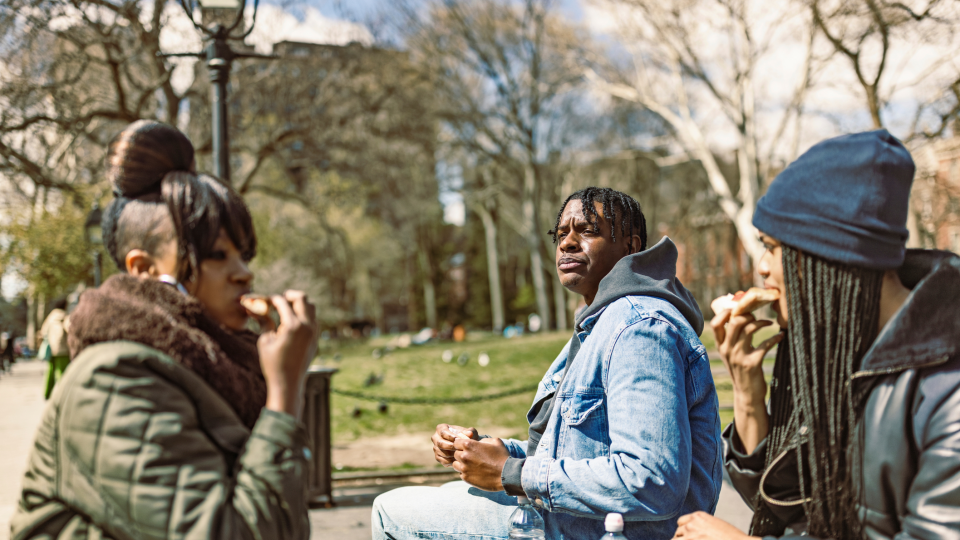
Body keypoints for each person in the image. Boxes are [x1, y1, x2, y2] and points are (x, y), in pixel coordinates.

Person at [11, 120, 318, 540]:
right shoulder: (113, 380)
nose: (243, 274)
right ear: (143, 269)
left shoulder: (214, 364)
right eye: (217, 255)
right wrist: (284, 396)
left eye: (244, 255)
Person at [373, 187, 722, 539]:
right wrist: (484, 451)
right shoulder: (602, 323)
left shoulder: (639, 327)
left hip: (612, 533)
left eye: (587, 230)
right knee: (448, 495)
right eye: (560, 234)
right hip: (578, 522)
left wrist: (511, 473)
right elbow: (577, 450)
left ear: (630, 247)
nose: (567, 243)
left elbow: (652, 481)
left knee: (391, 511)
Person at [671, 130, 960, 540]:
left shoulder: (949, 395)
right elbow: (783, 509)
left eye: (772, 247)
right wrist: (749, 396)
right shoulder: (840, 349)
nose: (762, 268)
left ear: (828, 256)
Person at [39, 298, 70, 399]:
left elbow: (43, 332)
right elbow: (69, 329)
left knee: (50, 372)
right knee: (62, 373)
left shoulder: (50, 317)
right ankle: (63, 395)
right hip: (62, 349)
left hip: (51, 349)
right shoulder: (65, 316)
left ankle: (47, 394)